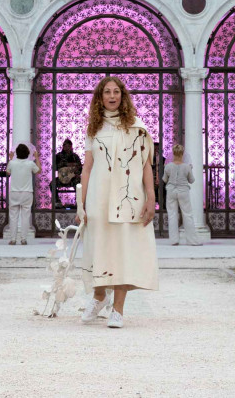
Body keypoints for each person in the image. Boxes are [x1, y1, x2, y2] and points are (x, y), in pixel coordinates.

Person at [77, 76, 159, 329]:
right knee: (100, 247)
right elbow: (87, 169)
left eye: (116, 92)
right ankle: (99, 296)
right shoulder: (94, 128)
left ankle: (119, 309)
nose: (112, 96)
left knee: (124, 250)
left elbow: (146, 166)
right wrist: (81, 205)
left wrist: (151, 197)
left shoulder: (137, 127)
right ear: (100, 98)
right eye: (106, 92)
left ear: (122, 97)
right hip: (98, 198)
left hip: (128, 198)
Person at [162, 143, 199, 246]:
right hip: (183, 191)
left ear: (173, 153)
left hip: (171, 190)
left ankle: (174, 240)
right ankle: (192, 240)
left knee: (172, 215)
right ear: (182, 154)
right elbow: (191, 180)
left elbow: (164, 179)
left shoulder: (168, 166)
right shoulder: (186, 166)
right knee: (187, 215)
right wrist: (190, 169)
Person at [5, 144, 40, 245]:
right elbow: (39, 170)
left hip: (14, 192)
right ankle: (24, 239)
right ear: (28, 153)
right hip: (27, 192)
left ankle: (13, 239)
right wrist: (36, 157)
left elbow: (8, 172)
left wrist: (10, 158)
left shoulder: (12, 163)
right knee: (25, 216)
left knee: (13, 216)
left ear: (16, 153)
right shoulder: (30, 164)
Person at [51, 139, 82, 209]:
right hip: (62, 178)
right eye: (65, 146)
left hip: (72, 179)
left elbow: (80, 169)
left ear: (71, 147)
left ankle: (78, 202)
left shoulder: (75, 157)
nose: (67, 148)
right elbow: (53, 167)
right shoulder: (58, 156)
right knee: (52, 184)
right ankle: (57, 202)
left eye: (68, 146)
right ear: (63, 146)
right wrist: (63, 165)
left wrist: (75, 169)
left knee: (79, 183)